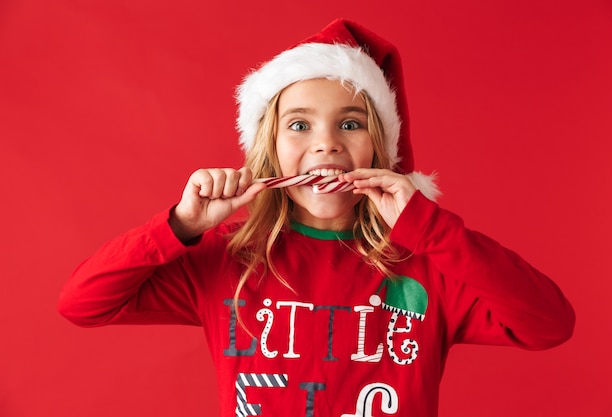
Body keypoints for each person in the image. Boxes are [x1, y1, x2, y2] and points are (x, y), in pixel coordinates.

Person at [58, 18, 575, 417]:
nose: (325, 142)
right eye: (299, 125)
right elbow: (82, 303)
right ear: (270, 151)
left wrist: (431, 228)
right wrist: (181, 226)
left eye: (350, 123)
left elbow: (549, 324)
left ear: (382, 148)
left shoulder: (429, 263)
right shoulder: (226, 260)